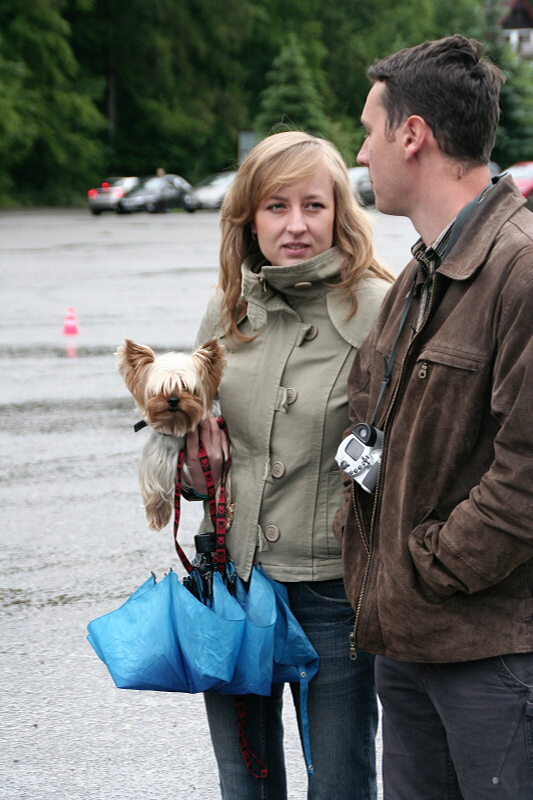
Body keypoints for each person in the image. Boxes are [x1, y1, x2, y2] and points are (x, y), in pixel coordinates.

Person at [333, 34, 533, 800]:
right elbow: (366, 417)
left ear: (411, 134)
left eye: (368, 130)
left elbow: (525, 475)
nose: (361, 152)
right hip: (410, 644)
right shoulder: (420, 273)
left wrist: (431, 565)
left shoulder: (518, 270)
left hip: (490, 656)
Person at [182, 130, 394, 799]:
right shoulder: (225, 309)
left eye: (313, 205)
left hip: (334, 590)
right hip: (234, 581)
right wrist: (192, 472)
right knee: (245, 783)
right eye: (276, 207)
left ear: (339, 213)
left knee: (341, 783)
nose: (295, 225)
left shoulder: (380, 307)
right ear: (249, 217)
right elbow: (191, 446)